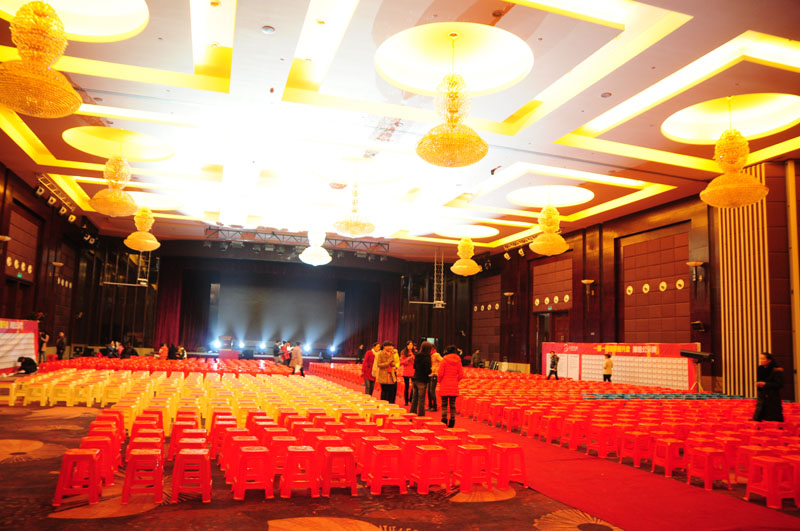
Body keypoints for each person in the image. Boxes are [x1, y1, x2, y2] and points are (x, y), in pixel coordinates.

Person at [438, 345, 463, 428]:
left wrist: (439, 380)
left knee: (444, 404)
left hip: (444, 384)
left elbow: (440, 373)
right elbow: (461, 375)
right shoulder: (458, 361)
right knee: (452, 404)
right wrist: (455, 380)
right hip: (454, 385)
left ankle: (444, 420)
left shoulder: (444, 360)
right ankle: (452, 420)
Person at [754, 352, 784, 422]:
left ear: (769, 360)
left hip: (772, 397)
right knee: (759, 416)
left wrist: (765, 384)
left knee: (772, 417)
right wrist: (758, 383)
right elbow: (759, 380)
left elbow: (779, 384)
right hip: (762, 395)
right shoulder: (760, 368)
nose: (761, 360)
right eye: (760, 359)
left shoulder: (776, 370)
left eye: (763, 359)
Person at [410, 341, 432, 416]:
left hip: (415, 378)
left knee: (414, 399)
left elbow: (414, 367)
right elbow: (427, 370)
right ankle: (421, 416)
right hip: (422, 380)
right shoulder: (427, 357)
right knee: (421, 400)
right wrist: (431, 370)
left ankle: (412, 414)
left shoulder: (417, 355)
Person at [399, 341, 416, 406]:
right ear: (406, 346)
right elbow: (402, 362)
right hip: (406, 371)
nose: (410, 346)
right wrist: (408, 358)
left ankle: (411, 399)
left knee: (413, 386)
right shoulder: (403, 352)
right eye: (409, 345)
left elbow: (416, 362)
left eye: (411, 345)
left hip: (413, 371)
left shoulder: (415, 352)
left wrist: (413, 357)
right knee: (406, 386)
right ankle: (406, 401)